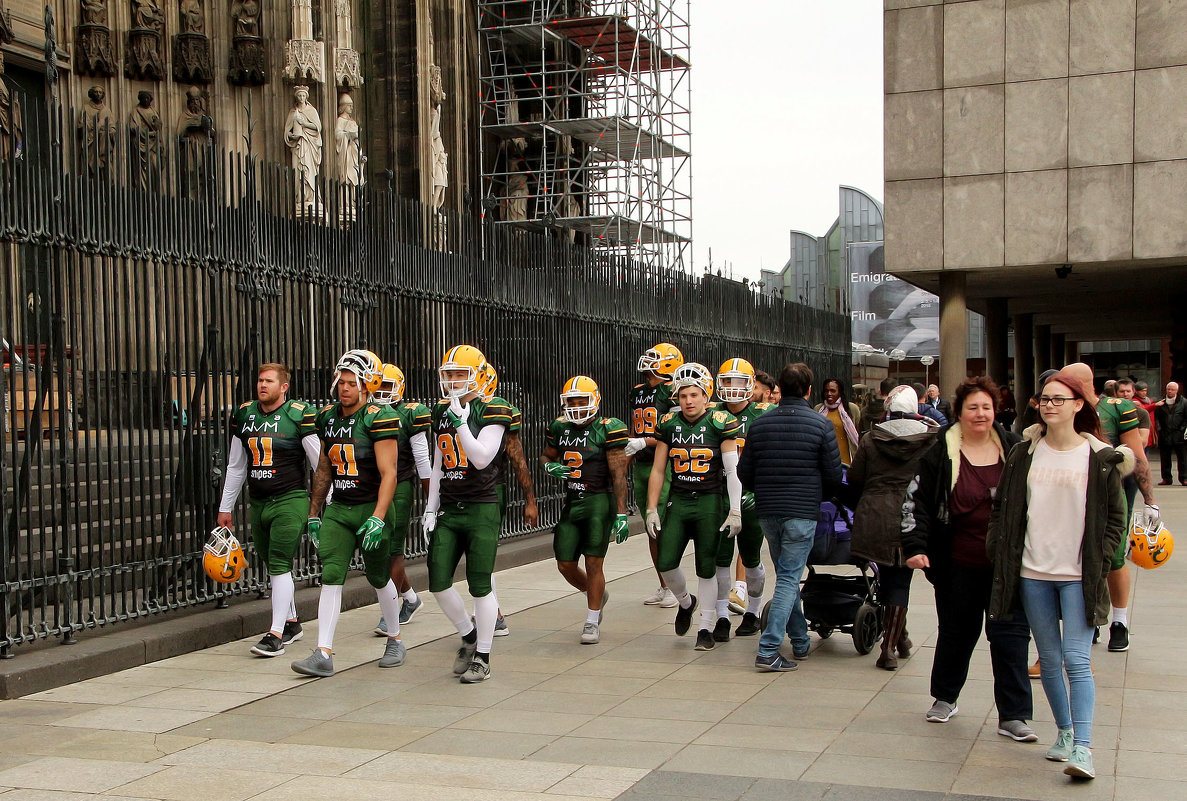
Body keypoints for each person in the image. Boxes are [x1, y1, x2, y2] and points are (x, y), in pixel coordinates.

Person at [987, 370, 1129, 780]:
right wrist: (999, 547)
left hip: (1078, 573)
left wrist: (1099, 560)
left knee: (1076, 661)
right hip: (1032, 571)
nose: (1049, 405)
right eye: (1044, 399)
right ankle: (1064, 733)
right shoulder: (1024, 452)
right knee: (1048, 660)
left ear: (1079, 405)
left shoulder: (1100, 457)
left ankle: (1084, 748)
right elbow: (1004, 507)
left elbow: (1115, 519)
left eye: (1058, 399)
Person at [902, 376, 1036, 742]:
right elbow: (916, 502)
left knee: (1010, 637)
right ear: (959, 411)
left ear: (996, 410)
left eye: (987, 407)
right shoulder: (938, 453)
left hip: (1006, 565)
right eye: (973, 407)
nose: (980, 414)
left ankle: (1014, 715)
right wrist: (916, 546)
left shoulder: (1015, 448)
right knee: (956, 633)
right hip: (956, 562)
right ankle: (945, 697)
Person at [292, 350, 405, 677]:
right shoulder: (328, 417)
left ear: (366, 384)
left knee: (377, 575)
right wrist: (314, 511)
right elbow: (325, 467)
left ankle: (395, 638)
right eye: (341, 381)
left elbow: (390, 473)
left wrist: (379, 516)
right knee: (331, 574)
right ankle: (323, 652)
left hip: (372, 505)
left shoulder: (378, 417)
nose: (344, 388)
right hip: (340, 507)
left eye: (351, 382)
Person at [739, 362, 842, 672]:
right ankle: (769, 648)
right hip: (802, 511)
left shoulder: (759, 425)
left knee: (787, 574)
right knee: (788, 577)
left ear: (778, 390)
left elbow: (744, 472)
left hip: (768, 511)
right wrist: (816, 496)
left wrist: (765, 489)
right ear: (810, 391)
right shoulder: (820, 425)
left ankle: (799, 641)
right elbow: (834, 477)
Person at [422, 346, 512, 683]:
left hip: (481, 506)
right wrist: (430, 507)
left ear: (477, 374)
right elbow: (437, 461)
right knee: (437, 580)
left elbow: (480, 458)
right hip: (450, 505)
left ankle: (484, 656)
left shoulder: (492, 409)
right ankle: (469, 634)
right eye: (450, 373)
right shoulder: (440, 411)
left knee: (480, 585)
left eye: (461, 373)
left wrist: (461, 422)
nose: (454, 379)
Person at [217, 363, 320, 657]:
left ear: (284, 387)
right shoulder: (245, 415)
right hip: (259, 500)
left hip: (290, 498)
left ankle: (275, 634)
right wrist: (226, 508)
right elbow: (236, 466)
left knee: (278, 562)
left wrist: (325, 503)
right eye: (260, 380)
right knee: (272, 564)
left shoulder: (298, 415)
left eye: (269, 381)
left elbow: (318, 464)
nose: (262, 385)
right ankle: (291, 622)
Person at [645, 363, 742, 651]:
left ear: (705, 395)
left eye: (694, 394)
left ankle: (705, 628)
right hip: (679, 499)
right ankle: (687, 603)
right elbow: (659, 469)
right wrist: (652, 507)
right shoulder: (669, 423)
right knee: (666, 562)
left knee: (706, 568)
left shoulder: (719, 421)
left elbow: (732, 470)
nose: (688, 400)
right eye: (683, 395)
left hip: (709, 500)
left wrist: (734, 508)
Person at [1063, 362, 1158, 654]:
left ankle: (1119, 621)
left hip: (1113, 490)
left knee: (1114, 556)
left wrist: (1150, 500)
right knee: (1078, 556)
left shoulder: (1117, 409)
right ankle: (1089, 616)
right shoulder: (1064, 408)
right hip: (1074, 491)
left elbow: (1138, 456)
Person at [848, 385, 939, 670]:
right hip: (911, 513)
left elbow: (855, 478)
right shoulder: (930, 440)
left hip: (875, 513)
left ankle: (899, 638)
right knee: (900, 580)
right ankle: (890, 645)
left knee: (888, 575)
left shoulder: (871, 439)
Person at [541, 376, 630, 644]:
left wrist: (621, 513)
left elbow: (618, 475)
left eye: (582, 401)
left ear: (595, 401)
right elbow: (546, 455)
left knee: (593, 561)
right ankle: (596, 594)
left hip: (598, 501)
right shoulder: (559, 427)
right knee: (565, 564)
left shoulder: (608, 428)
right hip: (572, 500)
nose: (577, 407)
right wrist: (548, 466)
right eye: (572, 401)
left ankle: (592, 620)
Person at [371, 364, 432, 636]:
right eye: (379, 386)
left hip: (400, 484)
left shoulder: (410, 413)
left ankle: (391, 610)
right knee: (379, 549)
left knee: (393, 549)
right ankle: (410, 599)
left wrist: (432, 499)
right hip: (371, 486)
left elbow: (422, 458)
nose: (383, 392)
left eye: (388, 386)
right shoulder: (366, 412)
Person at [714, 359, 772, 637]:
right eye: (727, 381)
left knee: (750, 557)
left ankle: (754, 610)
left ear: (752, 385)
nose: (733, 388)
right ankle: (722, 615)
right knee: (719, 559)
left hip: (752, 494)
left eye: (739, 382)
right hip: (717, 495)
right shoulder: (710, 413)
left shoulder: (766, 413)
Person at [626, 343, 683, 608]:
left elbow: (671, 433)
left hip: (663, 461)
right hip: (641, 462)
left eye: (656, 359)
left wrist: (643, 442)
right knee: (651, 529)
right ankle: (663, 583)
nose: (648, 363)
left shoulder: (672, 392)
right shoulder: (638, 392)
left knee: (661, 525)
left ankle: (674, 584)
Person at [814, 377, 861, 467]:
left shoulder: (852, 409)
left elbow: (859, 433)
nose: (829, 394)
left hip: (847, 461)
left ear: (840, 392)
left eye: (833, 391)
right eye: (826, 391)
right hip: (825, 462)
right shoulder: (818, 409)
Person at [1155, 381, 1187, 485]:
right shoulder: (1161, 402)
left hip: (1179, 434)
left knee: (1183, 459)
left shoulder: (1184, 402)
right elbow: (1156, 418)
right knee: (1165, 459)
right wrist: (1159, 429)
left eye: (1172, 389)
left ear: (1177, 391)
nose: (1170, 391)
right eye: (1168, 389)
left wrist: (1182, 429)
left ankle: (1184, 478)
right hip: (1165, 434)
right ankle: (1166, 478)